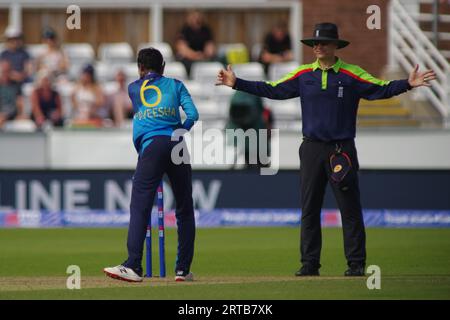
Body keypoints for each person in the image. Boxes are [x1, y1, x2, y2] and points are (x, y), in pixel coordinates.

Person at [216, 22, 436, 277]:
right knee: (309, 209)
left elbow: (381, 89)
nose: (318, 47)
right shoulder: (303, 75)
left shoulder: (352, 74)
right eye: (315, 43)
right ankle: (309, 264)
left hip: (341, 150)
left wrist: (407, 84)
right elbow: (272, 90)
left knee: (349, 208)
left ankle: (355, 264)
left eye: (323, 43)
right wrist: (237, 83)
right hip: (311, 149)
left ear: (335, 46)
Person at [103, 47, 199, 282]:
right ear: (164, 66)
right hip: (177, 145)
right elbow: (193, 114)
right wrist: (179, 132)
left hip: (152, 146)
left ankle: (134, 265)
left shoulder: (134, 88)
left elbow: (144, 118)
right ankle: (182, 270)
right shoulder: (176, 85)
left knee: (140, 206)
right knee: (184, 207)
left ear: (140, 68)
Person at [175, 10, 216, 76]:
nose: (196, 19)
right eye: (193, 17)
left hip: (204, 58)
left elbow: (210, 47)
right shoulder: (185, 30)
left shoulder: (206, 30)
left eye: (198, 17)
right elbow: (182, 48)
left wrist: (204, 55)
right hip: (189, 59)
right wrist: (195, 55)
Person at [0, 60, 25, 128]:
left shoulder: (16, 85)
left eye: (8, 71)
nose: (6, 73)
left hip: (12, 112)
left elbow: (19, 101)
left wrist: (20, 114)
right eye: (4, 71)